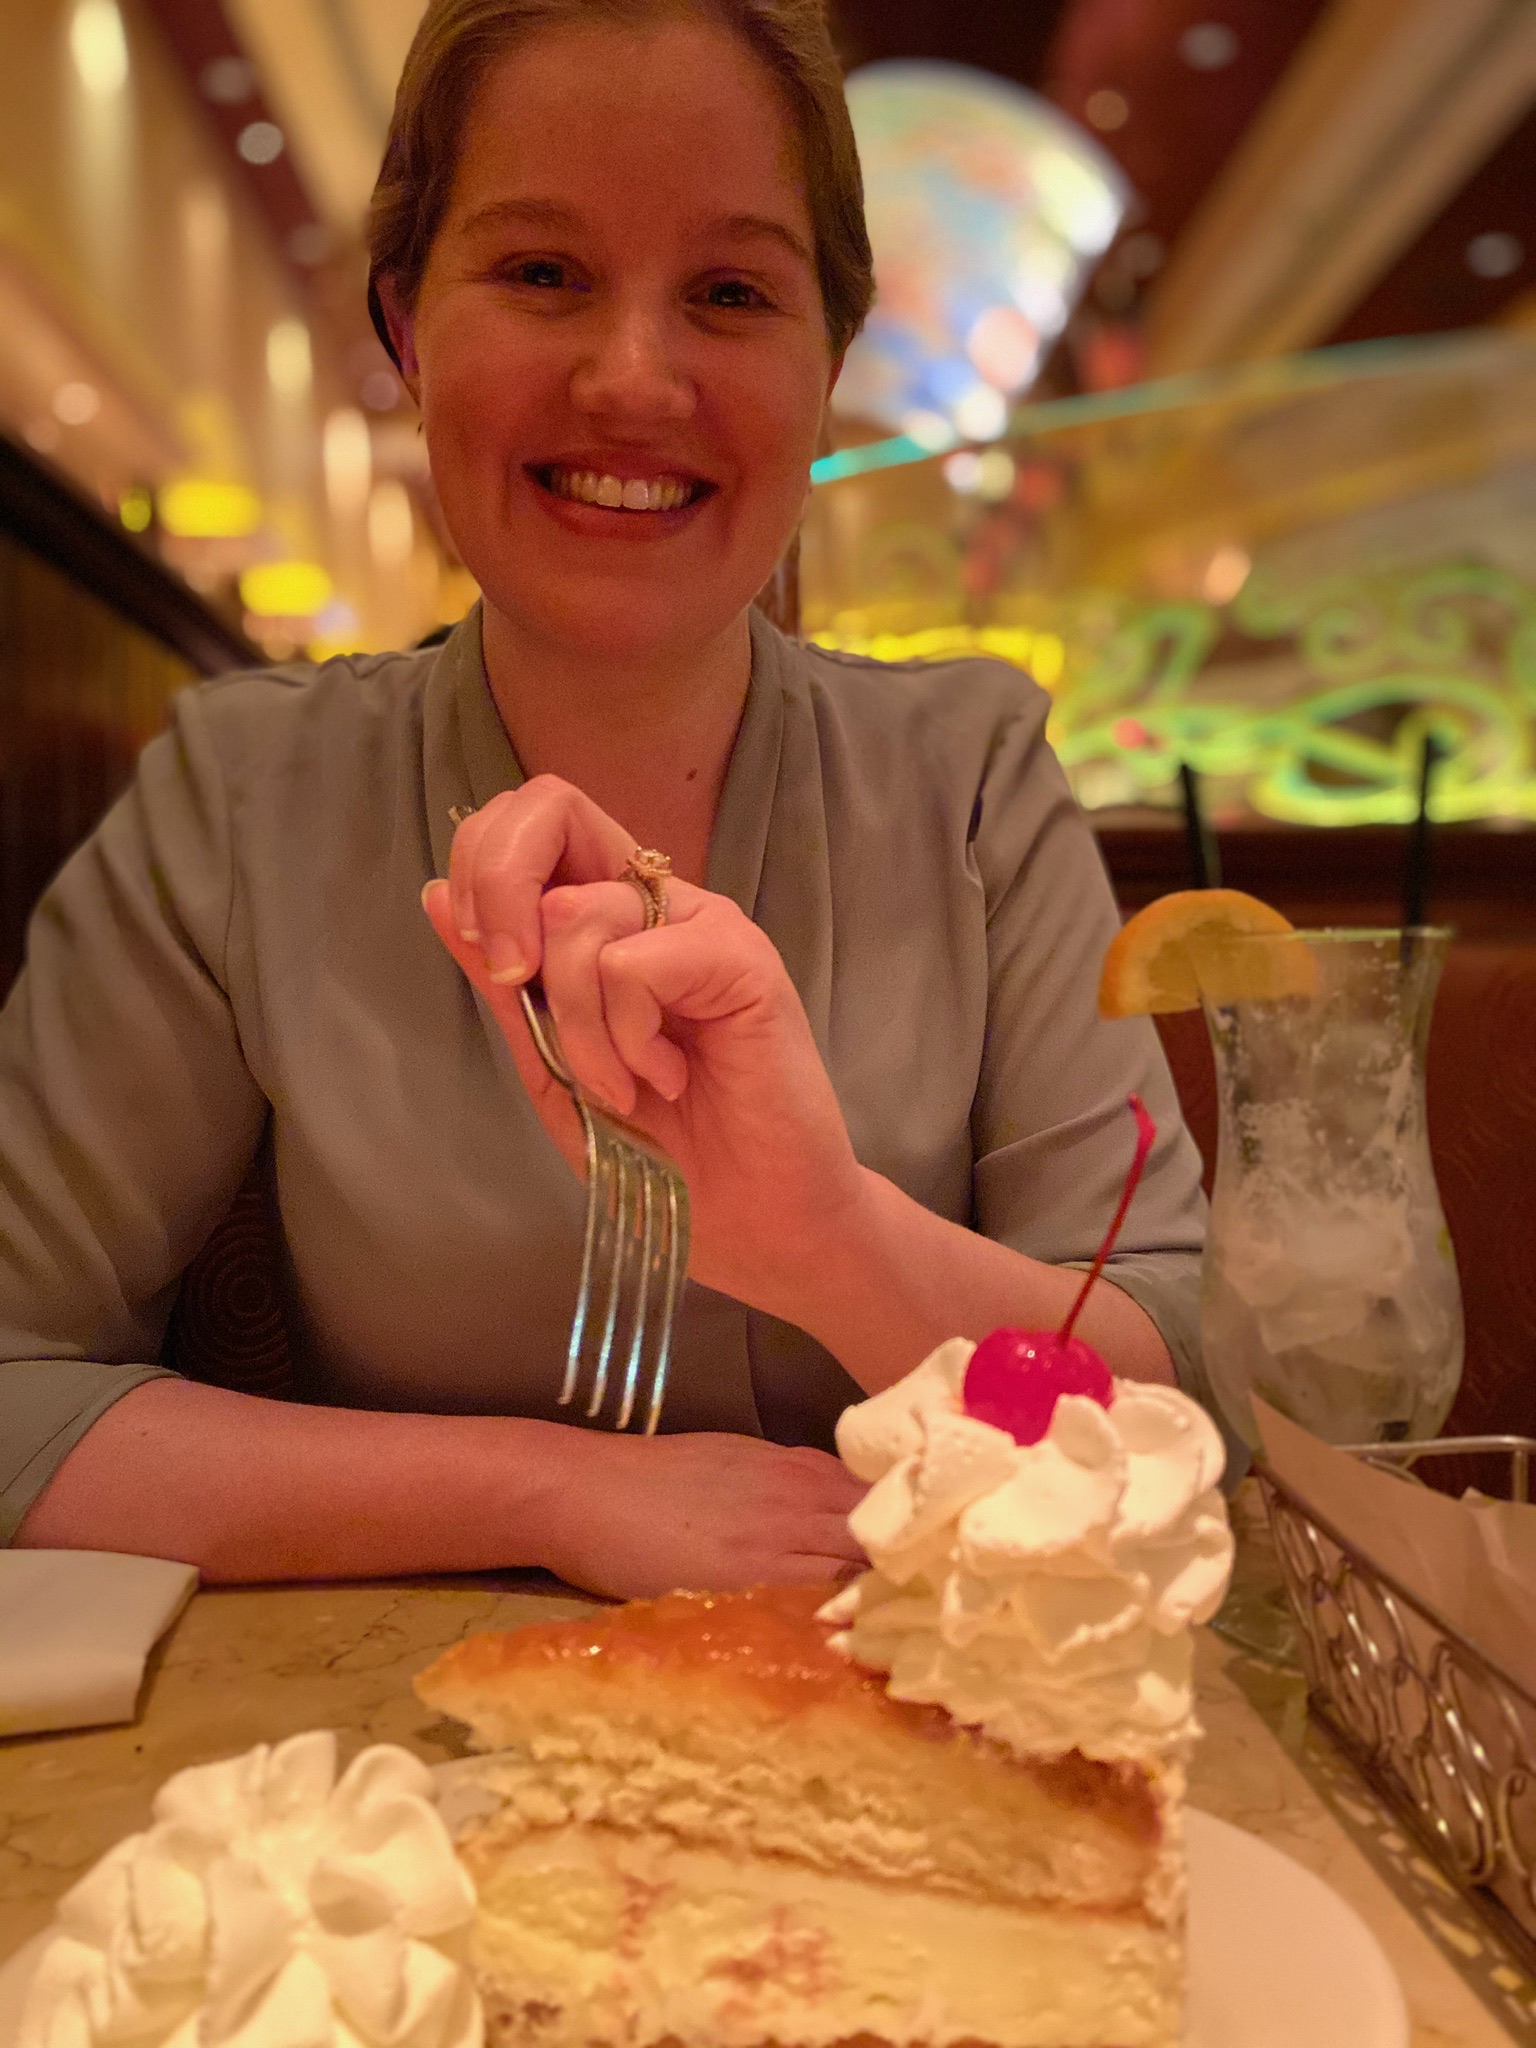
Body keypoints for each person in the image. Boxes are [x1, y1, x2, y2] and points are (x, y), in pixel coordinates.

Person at [2, 0, 1207, 1598]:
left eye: (729, 292)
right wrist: (548, 1492)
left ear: (826, 364)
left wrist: (828, 1235)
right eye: (544, 273)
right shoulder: (241, 798)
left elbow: (1176, 1396)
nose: (634, 381)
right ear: (410, 329)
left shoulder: (971, 775)